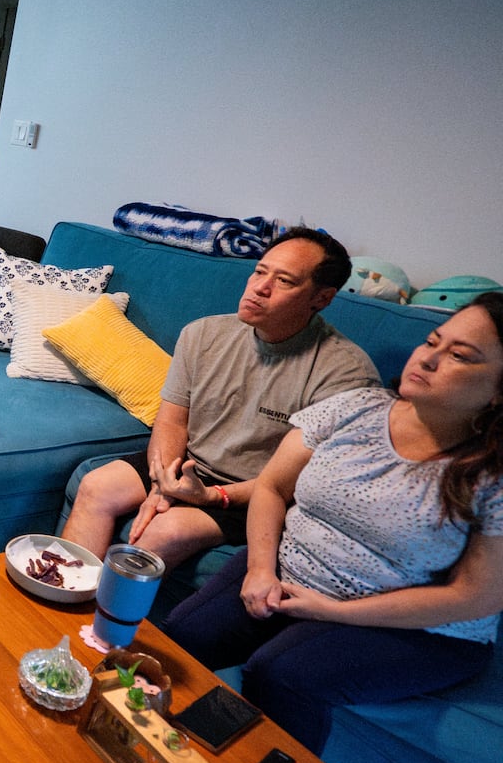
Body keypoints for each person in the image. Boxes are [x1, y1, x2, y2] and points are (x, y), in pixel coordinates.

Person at [163, 293, 503, 753]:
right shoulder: (356, 407)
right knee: (184, 635)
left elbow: (475, 597)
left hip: (414, 624)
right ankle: (151, 748)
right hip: (289, 568)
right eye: (431, 341)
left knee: (281, 673)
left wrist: (334, 612)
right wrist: (261, 568)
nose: (428, 358)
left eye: (461, 356)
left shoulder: (492, 474)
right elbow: (271, 488)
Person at [61, 229, 379, 572]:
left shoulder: (345, 374)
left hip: (260, 493)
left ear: (322, 298)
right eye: (260, 271)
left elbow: (292, 482)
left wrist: (211, 497)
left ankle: (102, 623)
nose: (260, 287)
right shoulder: (203, 334)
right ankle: (59, 604)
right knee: (96, 487)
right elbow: (172, 421)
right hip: (190, 465)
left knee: (164, 529)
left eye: (284, 281)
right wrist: (164, 483)